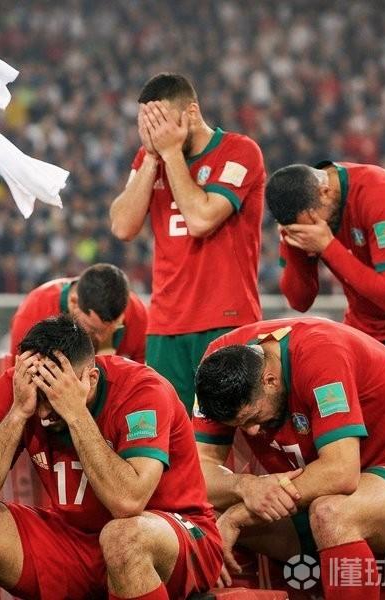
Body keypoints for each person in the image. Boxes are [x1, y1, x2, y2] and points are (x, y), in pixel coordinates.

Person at [0, 315, 222, 600]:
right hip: (76, 539)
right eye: (38, 397)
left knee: (122, 538)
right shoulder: (18, 388)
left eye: (53, 396)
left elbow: (128, 502)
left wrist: (75, 413)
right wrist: (19, 412)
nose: (43, 413)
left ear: (90, 379)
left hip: (169, 537)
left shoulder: (142, 391)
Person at [193, 317, 385, 600]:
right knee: (208, 518)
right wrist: (245, 486)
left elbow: (340, 473)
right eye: (239, 425)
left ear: (270, 380)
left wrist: (240, 514)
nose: (252, 431)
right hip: (323, 488)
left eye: (253, 418)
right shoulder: (218, 364)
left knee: (332, 513)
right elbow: (199, 472)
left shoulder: (321, 355)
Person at [109, 72, 264, 413]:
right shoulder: (151, 158)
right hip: (165, 324)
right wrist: (152, 157)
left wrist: (170, 154)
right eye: (147, 123)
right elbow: (122, 226)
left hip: (225, 319)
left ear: (191, 112)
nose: (154, 131)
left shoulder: (239, 151)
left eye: (160, 121)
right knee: (168, 429)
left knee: (227, 428)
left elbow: (201, 220)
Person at [266, 162, 385, 415]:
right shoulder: (306, 212)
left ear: (325, 192)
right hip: (364, 329)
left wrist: (328, 246)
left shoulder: (378, 194)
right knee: (356, 425)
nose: (314, 227)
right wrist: (293, 244)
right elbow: (300, 301)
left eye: (314, 221)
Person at [8, 263, 147, 362]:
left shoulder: (137, 315)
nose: (103, 338)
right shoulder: (34, 312)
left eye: (112, 329)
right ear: (74, 302)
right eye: (94, 329)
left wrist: (107, 361)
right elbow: (19, 379)